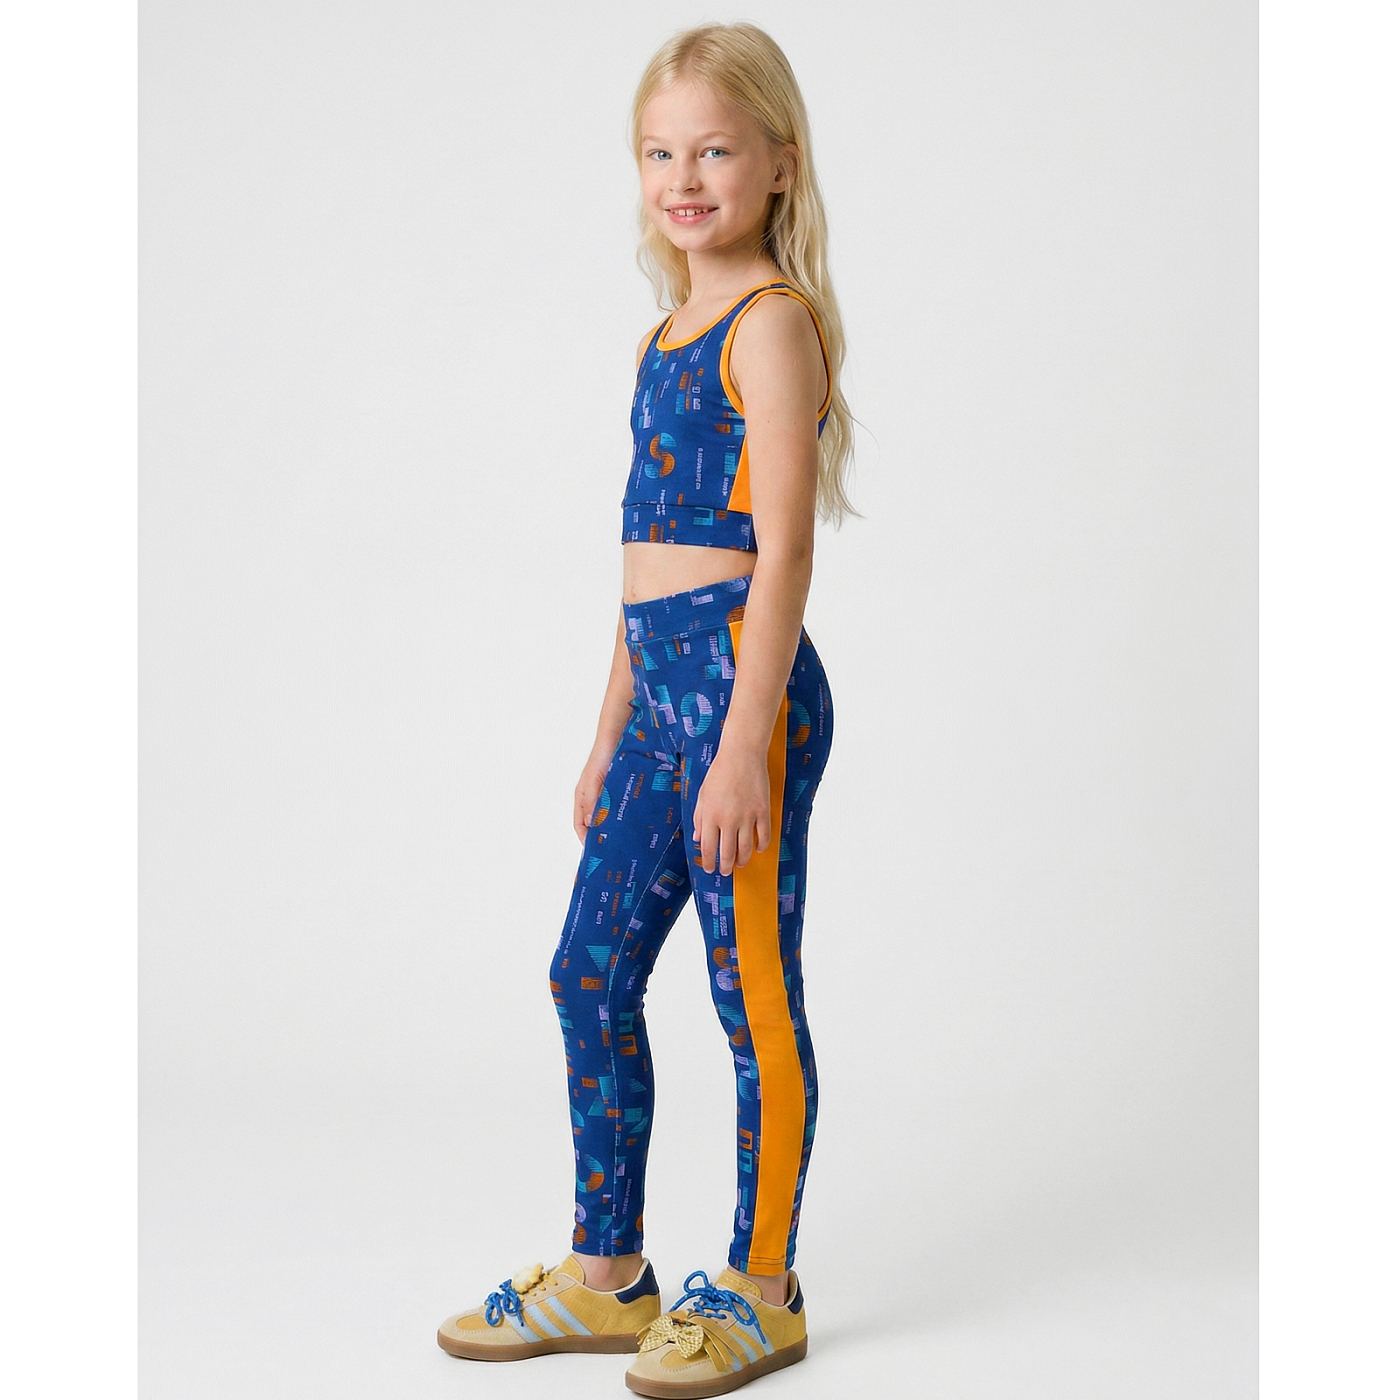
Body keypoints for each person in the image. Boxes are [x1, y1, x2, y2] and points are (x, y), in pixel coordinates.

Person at [437, 21, 858, 1396]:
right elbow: (641, 563)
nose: (684, 178)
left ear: (778, 165)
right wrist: (609, 731)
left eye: (715, 150)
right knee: (589, 971)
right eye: (659, 152)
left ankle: (761, 1286)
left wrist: (742, 746)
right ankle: (608, 1273)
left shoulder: (770, 324)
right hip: (659, 692)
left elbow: (780, 556)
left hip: (743, 694)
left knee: (750, 994)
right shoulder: (659, 337)